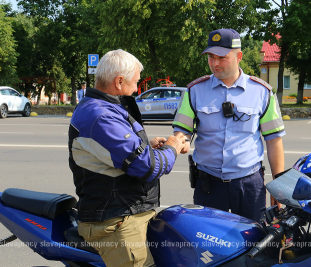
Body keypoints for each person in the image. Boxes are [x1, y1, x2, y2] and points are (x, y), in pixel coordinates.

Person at [68, 49, 186, 267]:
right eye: (136, 83)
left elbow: (113, 152)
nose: (136, 89)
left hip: (126, 213)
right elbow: (146, 166)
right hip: (116, 221)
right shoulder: (101, 115)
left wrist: (146, 146)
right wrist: (173, 147)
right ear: (119, 81)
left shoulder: (105, 108)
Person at [172, 29, 286, 222]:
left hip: (249, 185)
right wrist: (180, 142)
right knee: (208, 245)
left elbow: (274, 140)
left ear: (238, 56)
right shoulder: (194, 91)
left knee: (254, 242)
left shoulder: (262, 92)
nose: (215, 63)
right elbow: (182, 131)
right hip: (209, 185)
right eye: (210, 57)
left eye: (222, 58)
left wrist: (279, 185)